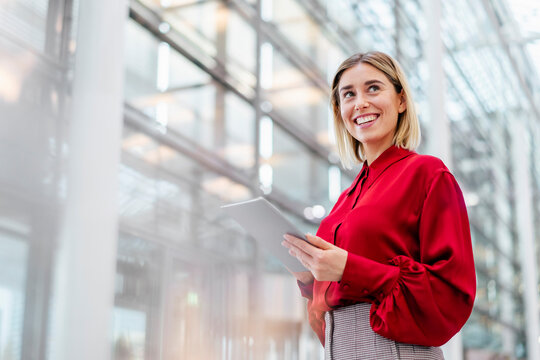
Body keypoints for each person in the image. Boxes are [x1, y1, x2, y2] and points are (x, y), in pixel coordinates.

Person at [281, 51, 476, 359]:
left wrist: (349, 269)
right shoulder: (344, 202)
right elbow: (332, 304)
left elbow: (450, 292)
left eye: (373, 88)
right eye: (349, 94)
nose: (360, 103)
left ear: (401, 100)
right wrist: (311, 280)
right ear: (340, 110)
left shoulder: (428, 173)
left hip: (394, 349)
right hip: (339, 348)